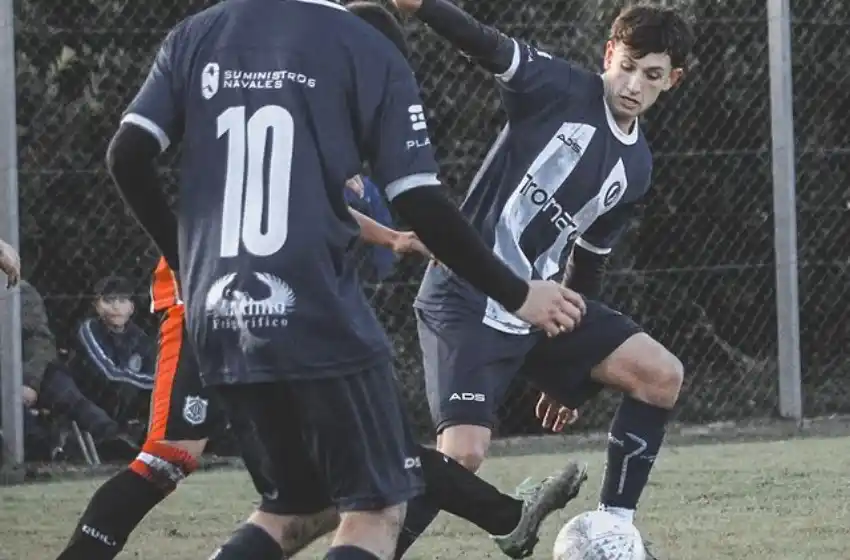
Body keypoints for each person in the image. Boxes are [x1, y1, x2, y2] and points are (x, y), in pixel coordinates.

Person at [385, 0, 694, 554]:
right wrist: (424, 6)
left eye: (651, 76)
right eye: (626, 65)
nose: (632, 84)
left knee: (660, 375)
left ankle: (615, 530)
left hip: (542, 304)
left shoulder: (637, 166)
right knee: (463, 456)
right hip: (465, 296)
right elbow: (485, 43)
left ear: (671, 81)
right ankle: (375, 548)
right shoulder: (558, 86)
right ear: (608, 54)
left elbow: (590, 257)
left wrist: (572, 367)